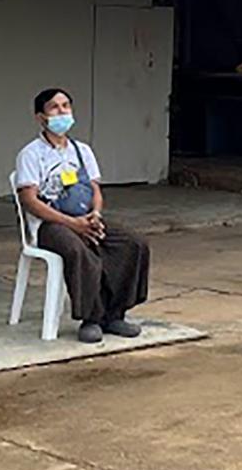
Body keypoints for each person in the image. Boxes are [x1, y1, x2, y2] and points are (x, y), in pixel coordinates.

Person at [16, 88, 151, 343]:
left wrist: (95, 214)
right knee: (79, 252)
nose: (62, 112)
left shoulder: (82, 151)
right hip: (51, 224)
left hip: (86, 218)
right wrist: (71, 224)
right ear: (40, 117)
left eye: (66, 106)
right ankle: (91, 318)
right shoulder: (31, 154)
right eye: (54, 107)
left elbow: (95, 190)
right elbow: (29, 200)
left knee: (133, 244)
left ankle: (115, 315)